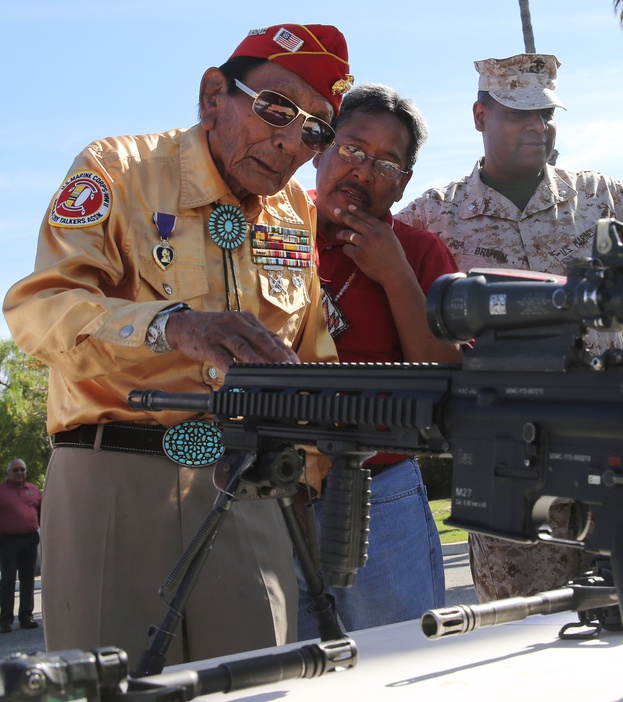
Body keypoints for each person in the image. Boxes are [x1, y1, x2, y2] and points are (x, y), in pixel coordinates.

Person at [3, 24, 352, 665]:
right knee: (116, 684)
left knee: (252, 681)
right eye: (276, 108)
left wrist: (305, 475)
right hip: (116, 481)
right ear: (213, 94)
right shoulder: (116, 170)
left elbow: (311, 353)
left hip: (249, 488)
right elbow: (39, 310)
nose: (289, 139)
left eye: (315, 130)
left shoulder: (293, 214)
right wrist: (174, 326)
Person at [396, 53, 623, 602]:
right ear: (479, 115)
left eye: (546, 113)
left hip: (612, 445)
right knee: (522, 633)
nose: (538, 125)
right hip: (508, 461)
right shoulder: (434, 214)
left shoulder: (605, 198)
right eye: (519, 112)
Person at [303, 83, 462, 633]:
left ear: (404, 183)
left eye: (387, 163)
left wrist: (394, 272)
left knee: (398, 656)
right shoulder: (268, 229)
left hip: (381, 488)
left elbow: (443, 376)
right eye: (351, 149)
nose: (364, 172)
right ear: (320, 148)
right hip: (276, 489)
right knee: (289, 666)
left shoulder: (420, 253)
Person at [0, 460, 41, 633]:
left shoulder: (33, 490)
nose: (19, 473)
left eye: (22, 470)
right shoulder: (1, 491)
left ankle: (26, 616)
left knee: (27, 578)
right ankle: (5, 620)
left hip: (30, 539)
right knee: (8, 580)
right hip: (8, 540)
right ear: (8, 472)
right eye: (15, 470)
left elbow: (41, 512)